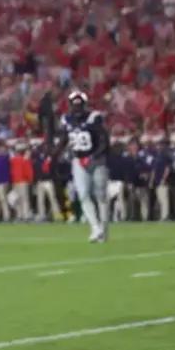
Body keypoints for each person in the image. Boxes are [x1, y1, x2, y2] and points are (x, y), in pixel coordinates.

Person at [54, 90, 111, 242]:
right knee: (83, 194)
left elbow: (104, 141)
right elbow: (64, 139)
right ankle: (95, 228)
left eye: (79, 105)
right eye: (74, 105)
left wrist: (93, 156)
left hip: (97, 161)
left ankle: (104, 230)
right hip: (78, 161)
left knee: (101, 196)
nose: (77, 108)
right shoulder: (66, 119)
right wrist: (53, 155)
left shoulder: (94, 117)